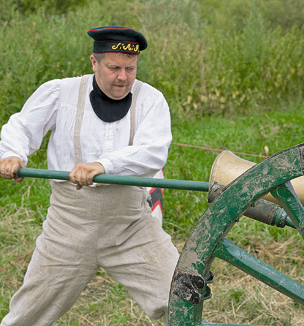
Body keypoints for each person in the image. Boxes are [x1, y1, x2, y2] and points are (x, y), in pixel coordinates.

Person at [0, 26, 179, 326]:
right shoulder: (61, 92)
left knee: (181, 294)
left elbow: (153, 152)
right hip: (69, 224)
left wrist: (103, 165)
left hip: (130, 225)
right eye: (113, 68)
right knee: (27, 315)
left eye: (130, 68)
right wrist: (12, 154)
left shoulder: (151, 100)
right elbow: (21, 127)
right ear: (94, 63)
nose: (123, 76)